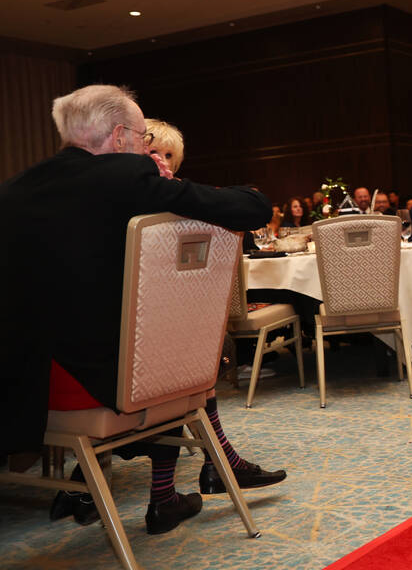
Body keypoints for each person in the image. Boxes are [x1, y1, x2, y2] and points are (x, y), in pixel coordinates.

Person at [0, 85, 286, 535]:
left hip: (23, 380)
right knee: (179, 343)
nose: (144, 148)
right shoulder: (126, 177)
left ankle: (167, 488)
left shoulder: (14, 188)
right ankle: (181, 487)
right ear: (117, 138)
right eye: (140, 138)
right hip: (99, 380)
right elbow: (251, 208)